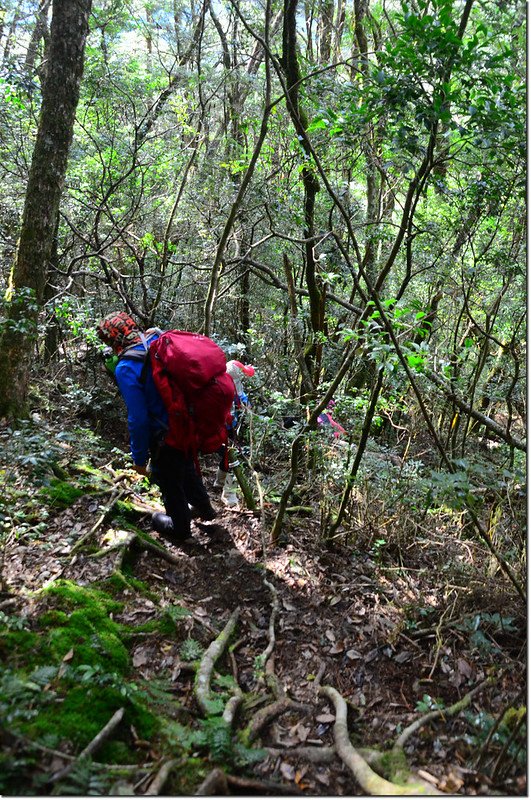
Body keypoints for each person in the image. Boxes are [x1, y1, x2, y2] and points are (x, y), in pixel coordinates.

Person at [96, 311, 216, 542]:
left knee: (167, 477)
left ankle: (180, 528)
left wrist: (139, 458)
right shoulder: (156, 340)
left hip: (165, 434)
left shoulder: (126, 367)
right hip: (187, 422)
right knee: (186, 466)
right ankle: (204, 508)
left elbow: (138, 418)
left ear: (113, 339)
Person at [214, 360, 255, 506]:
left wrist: (247, 406)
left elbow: (241, 397)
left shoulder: (233, 382)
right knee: (231, 457)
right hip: (221, 427)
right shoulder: (222, 387)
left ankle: (219, 482)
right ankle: (229, 494)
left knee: (228, 455)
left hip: (230, 426)